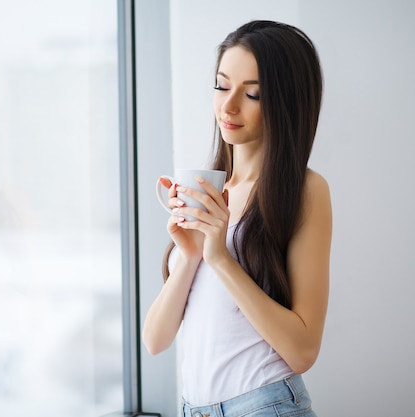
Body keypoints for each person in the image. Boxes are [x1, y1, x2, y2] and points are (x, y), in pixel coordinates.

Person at [142, 20, 331, 417]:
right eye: (221, 85)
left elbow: (302, 351)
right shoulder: (210, 191)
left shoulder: (304, 190)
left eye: (253, 94)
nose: (228, 106)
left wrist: (220, 258)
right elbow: (155, 341)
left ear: (286, 102)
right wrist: (190, 255)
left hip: (265, 406)